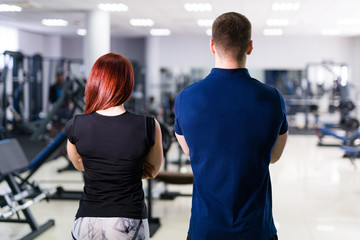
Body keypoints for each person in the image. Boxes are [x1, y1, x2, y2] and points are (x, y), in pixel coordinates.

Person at [174, 12, 288, 240]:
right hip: (256, 230)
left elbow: (190, 151)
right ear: (250, 46)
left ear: (212, 46)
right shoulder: (272, 98)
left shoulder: (186, 98)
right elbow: (273, 156)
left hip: (205, 230)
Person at [65, 53, 163, 240]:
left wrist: (101, 166)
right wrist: (129, 168)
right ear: (128, 84)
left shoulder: (75, 125)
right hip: (128, 222)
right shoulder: (148, 125)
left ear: (95, 82)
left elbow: (80, 164)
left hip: (87, 222)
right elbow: (152, 171)